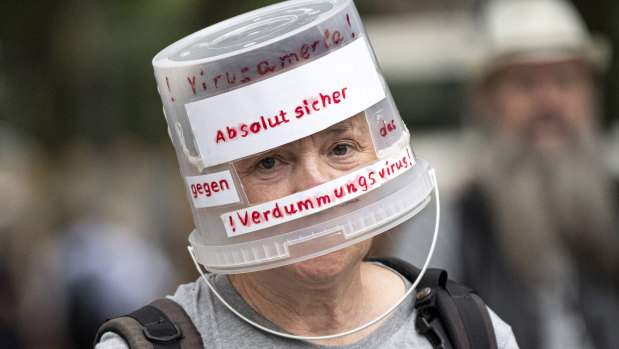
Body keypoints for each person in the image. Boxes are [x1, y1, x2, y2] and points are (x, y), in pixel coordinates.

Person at [95, 0, 518, 347]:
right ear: (221, 193)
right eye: (269, 162)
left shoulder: (469, 331)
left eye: (341, 148)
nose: (317, 184)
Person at [457, 0, 619, 348]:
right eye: (524, 84)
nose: (548, 101)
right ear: (485, 101)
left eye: (565, 81)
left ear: (593, 94)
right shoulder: (452, 226)